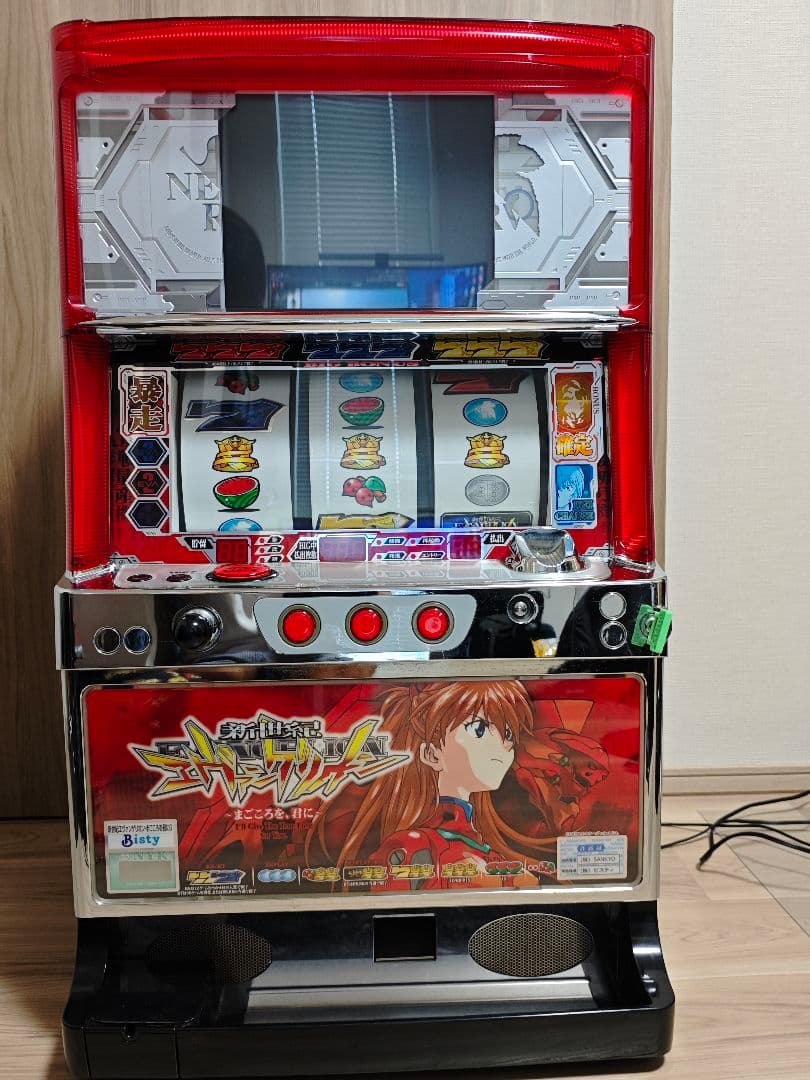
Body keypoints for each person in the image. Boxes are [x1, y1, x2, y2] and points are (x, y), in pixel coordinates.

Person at [305, 680, 555, 890]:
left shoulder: (483, 846)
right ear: (432, 754)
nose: (501, 747)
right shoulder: (413, 845)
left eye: (508, 734)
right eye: (478, 729)